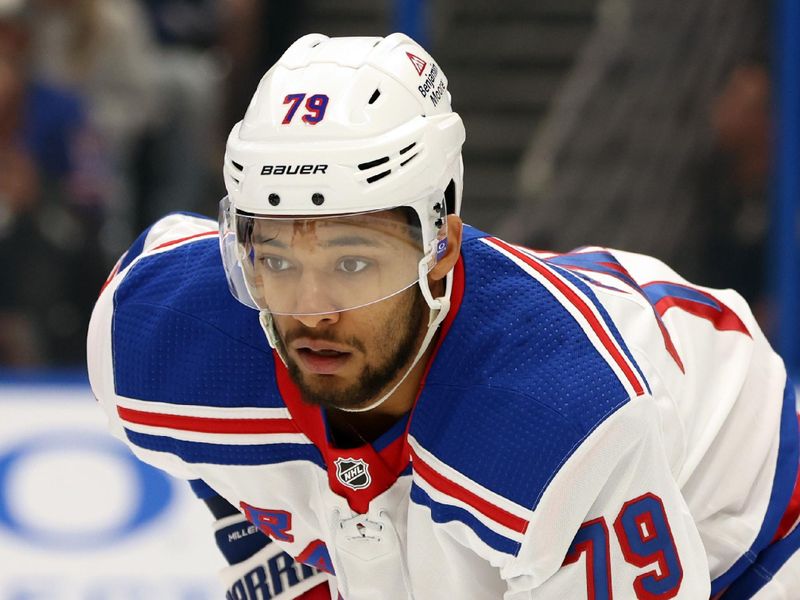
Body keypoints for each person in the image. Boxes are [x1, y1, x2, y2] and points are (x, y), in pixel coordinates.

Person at [87, 33, 800, 599]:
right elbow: (219, 459)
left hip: (749, 533)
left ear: (441, 251)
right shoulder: (154, 334)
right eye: (275, 260)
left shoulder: (562, 424)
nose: (311, 311)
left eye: (352, 262)